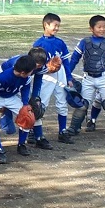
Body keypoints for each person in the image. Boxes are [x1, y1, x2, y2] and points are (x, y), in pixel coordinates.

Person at [65, 15, 105, 139]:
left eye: (104, 27)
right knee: (82, 104)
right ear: (91, 28)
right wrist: (67, 75)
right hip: (88, 78)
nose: (102, 29)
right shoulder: (84, 42)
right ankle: (74, 127)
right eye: (99, 27)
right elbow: (74, 58)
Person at [0, 55, 37, 164]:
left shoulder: (26, 77)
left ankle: (21, 145)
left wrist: (25, 105)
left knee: (28, 117)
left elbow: (25, 88)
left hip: (12, 98)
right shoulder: (3, 77)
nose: (32, 73)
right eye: (31, 71)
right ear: (22, 73)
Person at [32, 13, 73, 145]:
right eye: (55, 25)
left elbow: (66, 62)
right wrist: (45, 68)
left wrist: (69, 77)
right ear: (46, 25)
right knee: (40, 104)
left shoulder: (60, 42)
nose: (57, 28)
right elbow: (35, 63)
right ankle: (36, 133)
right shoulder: (39, 43)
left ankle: (63, 131)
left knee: (62, 101)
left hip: (60, 74)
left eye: (58, 26)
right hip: (45, 75)